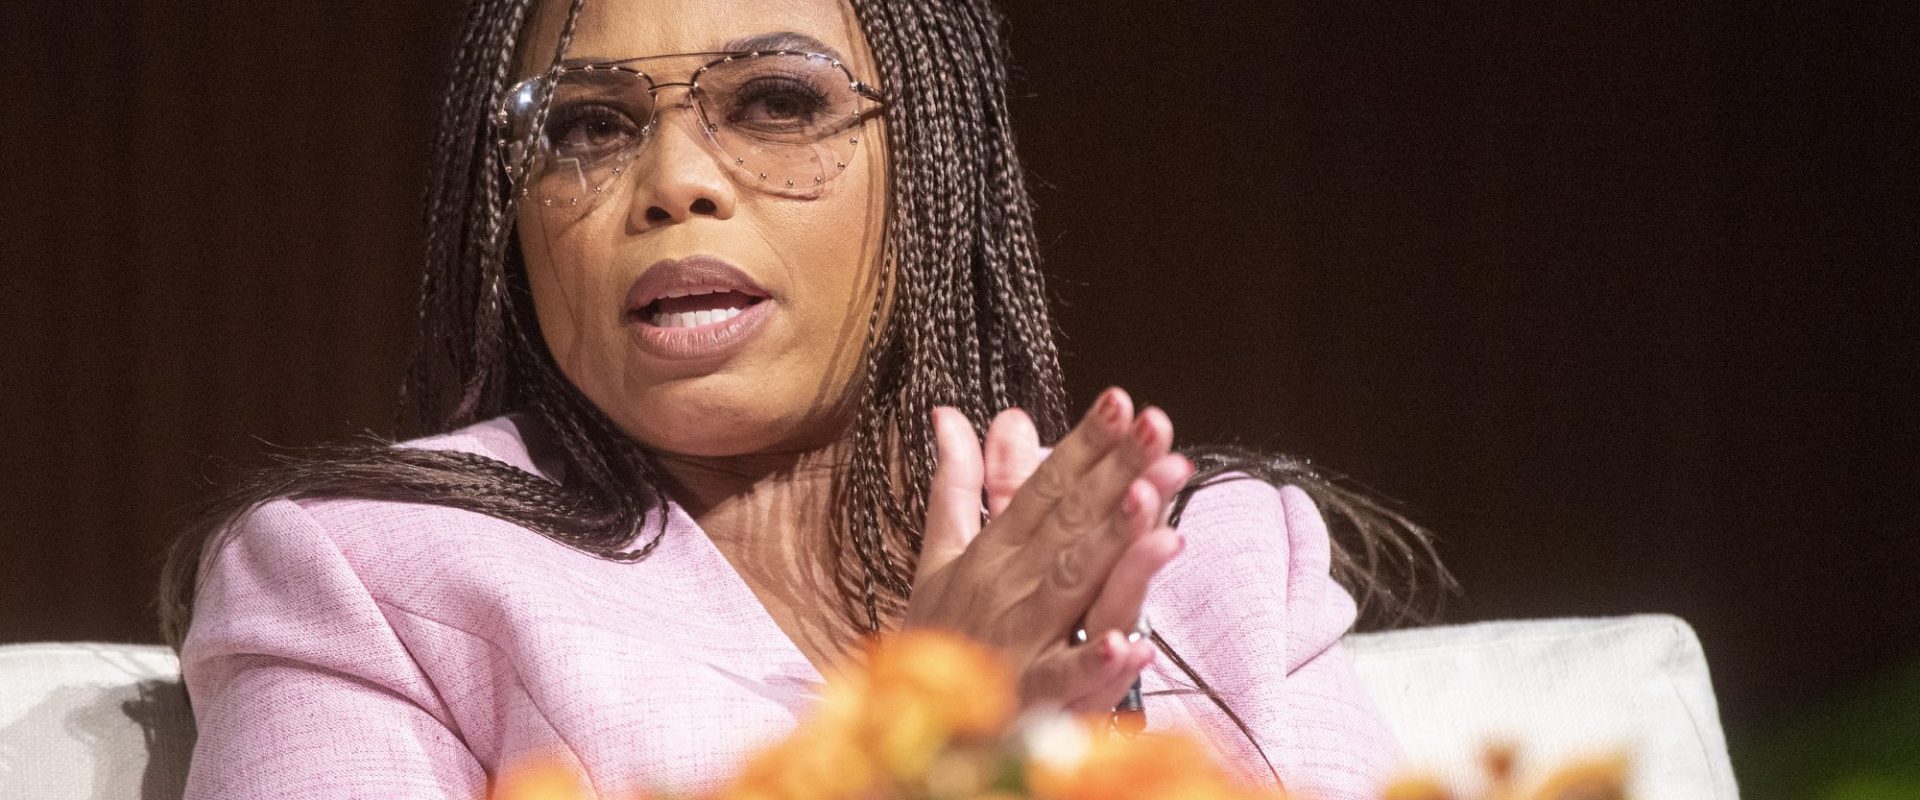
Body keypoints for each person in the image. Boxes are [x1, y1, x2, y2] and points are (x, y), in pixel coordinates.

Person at [158, 0, 1446, 798]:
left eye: (777, 103)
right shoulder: (366, 581)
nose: (674, 181)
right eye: (589, 126)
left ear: (931, 164)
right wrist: (919, 752)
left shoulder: (1213, 567)